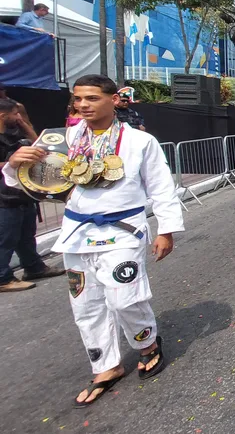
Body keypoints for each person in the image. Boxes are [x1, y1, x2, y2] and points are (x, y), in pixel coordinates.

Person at [3, 74, 182, 406]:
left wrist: (167, 230)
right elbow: (37, 182)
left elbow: (161, 188)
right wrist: (14, 166)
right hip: (77, 234)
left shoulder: (140, 141)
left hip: (123, 231)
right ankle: (106, 366)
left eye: (91, 98)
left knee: (125, 298)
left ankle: (147, 343)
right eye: (77, 99)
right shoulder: (61, 139)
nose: (83, 104)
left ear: (113, 100)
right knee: (85, 305)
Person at [0, 98, 65, 292]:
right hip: (4, 199)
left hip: (21, 195)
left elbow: (38, 143)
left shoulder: (13, 133)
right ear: (3, 115)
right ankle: (3, 278)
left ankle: (34, 267)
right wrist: (12, 164)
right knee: (5, 238)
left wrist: (24, 124)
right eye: (15, 114)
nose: (18, 117)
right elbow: (11, 163)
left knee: (26, 236)